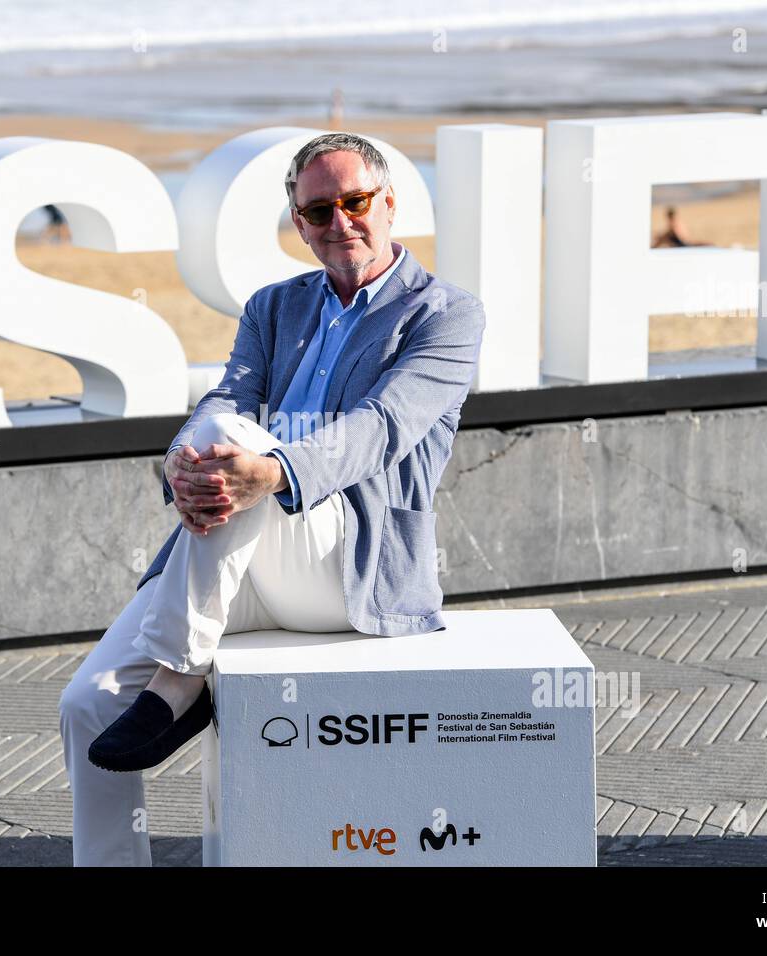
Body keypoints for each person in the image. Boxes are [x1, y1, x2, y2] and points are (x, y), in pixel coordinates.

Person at [58, 132, 486, 866]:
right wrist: (182, 462)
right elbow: (228, 399)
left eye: (355, 202)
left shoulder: (445, 314)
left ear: (390, 203)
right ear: (299, 223)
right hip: (241, 553)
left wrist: (274, 472)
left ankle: (181, 675)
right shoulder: (274, 306)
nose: (339, 222)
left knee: (234, 443)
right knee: (88, 704)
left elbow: (381, 429)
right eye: (318, 211)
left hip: (348, 562)